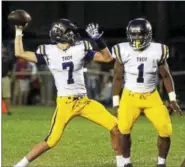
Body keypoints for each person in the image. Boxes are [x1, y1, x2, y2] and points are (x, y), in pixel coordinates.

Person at [13, 19, 124, 167]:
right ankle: (19, 165)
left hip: (84, 102)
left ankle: (121, 163)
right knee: (51, 141)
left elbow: (107, 58)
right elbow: (19, 52)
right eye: (69, 32)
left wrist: (98, 40)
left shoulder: (80, 48)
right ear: (59, 35)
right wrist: (19, 31)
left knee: (116, 128)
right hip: (65, 103)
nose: (73, 34)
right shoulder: (48, 51)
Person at [111, 18, 182, 167]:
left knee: (165, 129)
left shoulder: (158, 50)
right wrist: (116, 103)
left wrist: (173, 99)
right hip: (130, 97)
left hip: (151, 96)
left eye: (140, 35)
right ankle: (126, 163)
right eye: (133, 35)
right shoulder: (122, 50)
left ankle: (161, 164)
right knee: (124, 130)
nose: (136, 38)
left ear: (148, 35)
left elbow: (166, 76)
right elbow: (117, 77)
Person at [2, 44, 14, 115]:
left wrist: (11, 78)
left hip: (5, 77)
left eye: (2, 48)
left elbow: (11, 69)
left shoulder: (7, 59)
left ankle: (9, 111)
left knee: (7, 95)